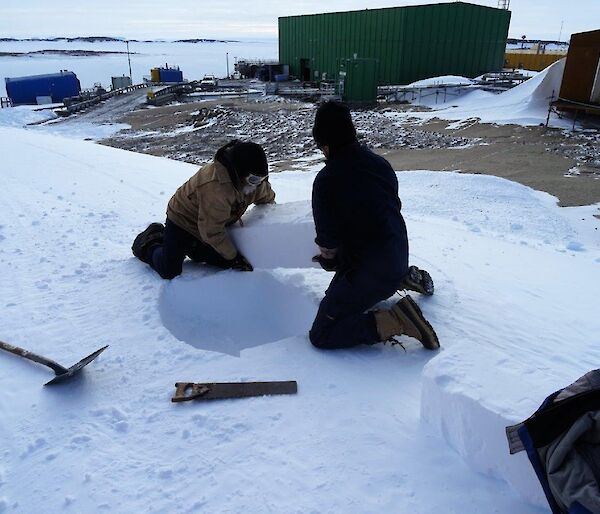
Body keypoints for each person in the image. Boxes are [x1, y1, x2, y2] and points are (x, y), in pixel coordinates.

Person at [309, 101, 439, 350]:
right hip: (396, 253)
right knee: (365, 267)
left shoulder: (326, 181)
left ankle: (398, 320)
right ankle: (402, 277)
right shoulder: (381, 165)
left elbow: (328, 245)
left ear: (325, 146)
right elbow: (386, 211)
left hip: (368, 271)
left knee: (323, 333)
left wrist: (329, 260)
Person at [132, 140, 275, 279]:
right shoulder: (216, 188)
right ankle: (150, 239)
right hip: (183, 220)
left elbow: (267, 198)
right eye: (255, 180)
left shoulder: (253, 183)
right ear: (239, 173)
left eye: (263, 179)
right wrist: (234, 257)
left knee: (221, 260)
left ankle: (191, 247)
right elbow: (212, 232)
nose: (259, 184)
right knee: (169, 270)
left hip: (209, 222)